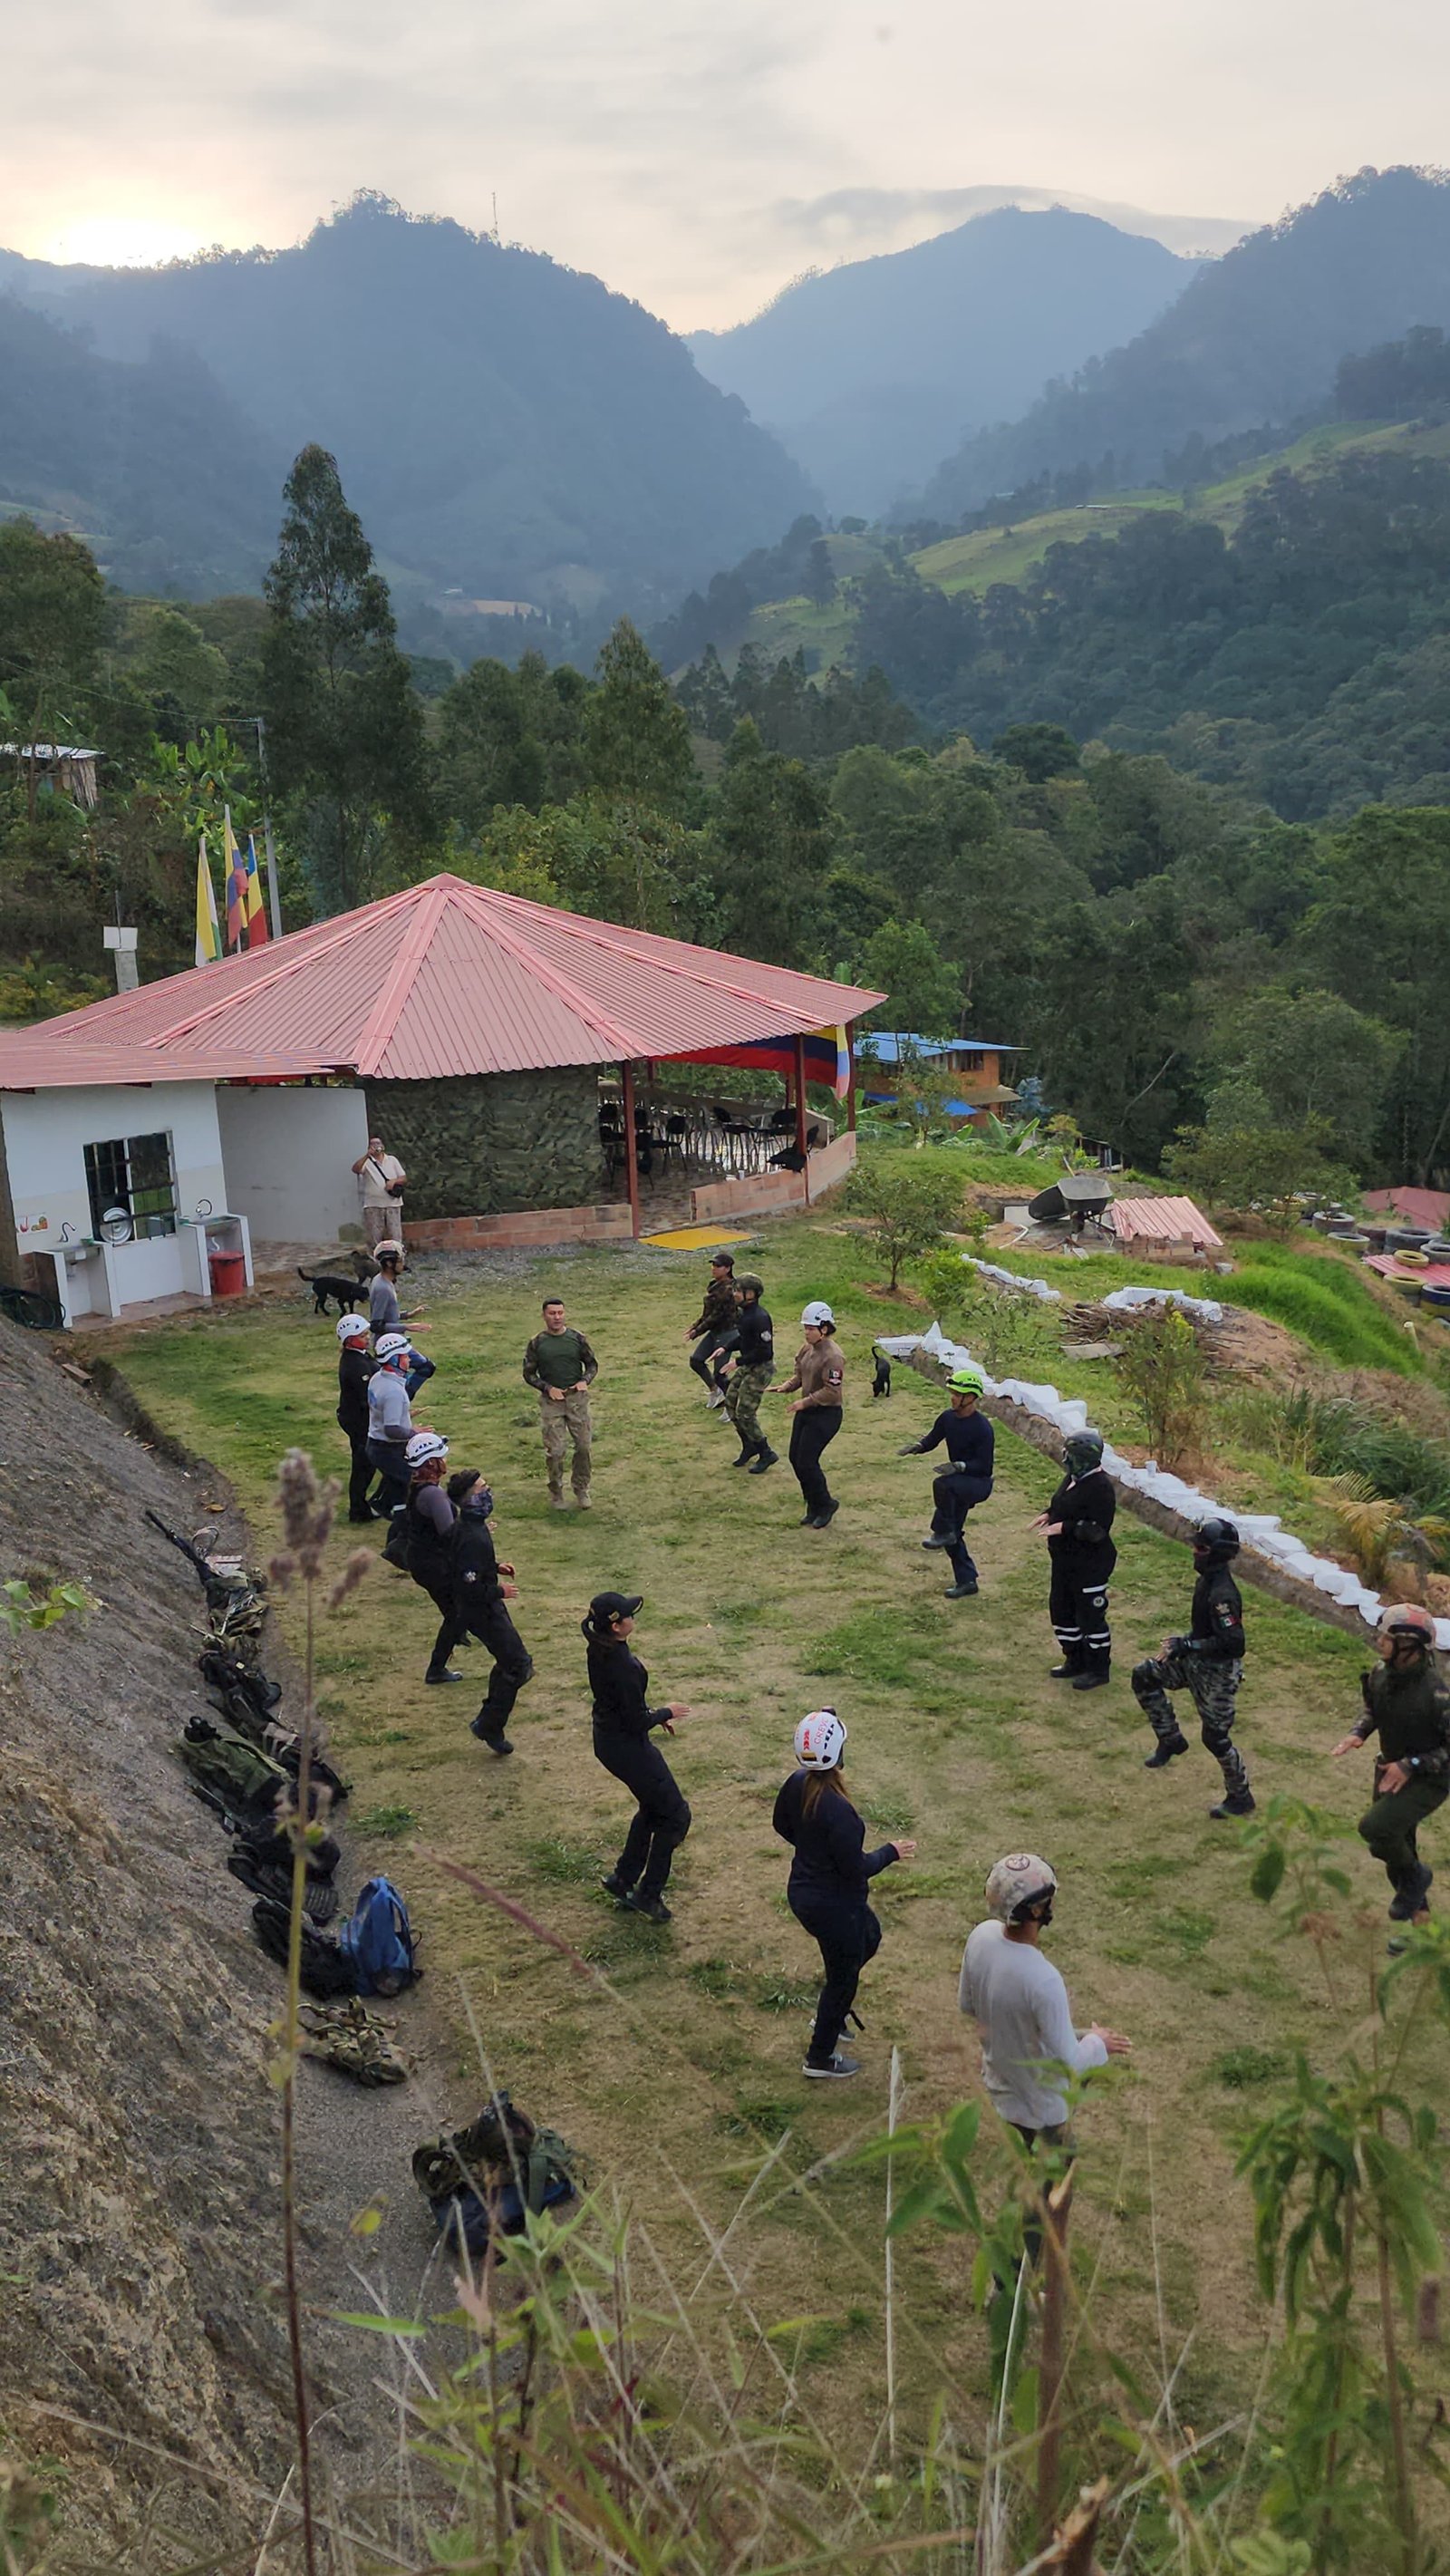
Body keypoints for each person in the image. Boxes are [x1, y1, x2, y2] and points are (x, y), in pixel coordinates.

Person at [772, 1709, 914, 2079]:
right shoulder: (839, 1812)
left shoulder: (796, 1782)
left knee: (870, 1937)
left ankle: (832, 2012)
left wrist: (810, 1850)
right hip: (834, 1906)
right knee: (842, 1977)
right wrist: (891, 1851)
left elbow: (780, 1824)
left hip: (807, 1895)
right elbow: (858, 1868)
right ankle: (819, 2056)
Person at [959, 1855, 1130, 2149]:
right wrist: (1099, 2042)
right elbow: (1072, 2064)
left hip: (1000, 2087)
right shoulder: (1043, 1979)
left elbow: (968, 2005)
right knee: (1054, 2184)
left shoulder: (981, 1936)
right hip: (1040, 2109)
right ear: (1037, 1909)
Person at [1330, 1603, 1450, 1948]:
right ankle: (1422, 1929)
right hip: (1390, 1770)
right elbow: (1373, 1709)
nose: (1379, 1641)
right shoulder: (1381, 1673)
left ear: (1410, 1646)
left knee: (1377, 1830)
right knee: (1398, 1849)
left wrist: (1409, 1766)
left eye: (1388, 1637)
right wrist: (1359, 1733)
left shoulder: (1437, 1695)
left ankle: (1417, 1878)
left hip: (1428, 1780)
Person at [1134, 1516, 1255, 1818]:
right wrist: (1185, 1643)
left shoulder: (1222, 1595)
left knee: (1215, 1738)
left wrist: (1188, 1646)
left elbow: (1233, 1643)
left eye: (1201, 1547)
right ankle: (1170, 1739)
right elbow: (1206, 1633)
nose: (1194, 1552)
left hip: (1217, 1674)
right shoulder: (1208, 1582)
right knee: (1144, 1675)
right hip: (1196, 1663)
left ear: (1215, 1553)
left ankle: (1240, 1796)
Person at [585, 1592, 691, 1922]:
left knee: (652, 1805)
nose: (634, 1618)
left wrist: (652, 1715)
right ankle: (648, 1894)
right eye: (628, 1615)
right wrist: (664, 1712)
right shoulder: (621, 1664)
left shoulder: (599, 1645)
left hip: (609, 1740)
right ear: (616, 1626)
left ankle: (623, 1879)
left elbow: (624, 1706)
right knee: (675, 1816)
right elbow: (634, 1722)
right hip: (627, 1747)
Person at [450, 1468, 535, 1753]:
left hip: (485, 1607)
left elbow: (467, 1567)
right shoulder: (472, 1534)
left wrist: (493, 1567)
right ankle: (489, 1724)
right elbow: (468, 1586)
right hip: (482, 1610)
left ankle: (489, 1721)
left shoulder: (471, 1526)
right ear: (470, 1498)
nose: (488, 1491)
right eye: (482, 1487)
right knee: (517, 1665)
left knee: (512, 1662)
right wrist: (500, 1591)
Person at [899, 1364, 995, 1599]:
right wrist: (918, 1447)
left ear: (970, 1398)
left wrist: (960, 1466)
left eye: (957, 1394)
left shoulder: (983, 1428)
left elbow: (984, 1467)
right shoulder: (947, 1418)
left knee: (942, 1485)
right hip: (959, 1483)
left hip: (977, 1483)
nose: (952, 1398)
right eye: (951, 1393)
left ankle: (940, 1531)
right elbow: (933, 1438)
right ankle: (967, 1581)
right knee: (953, 1530)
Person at [1036, 1428, 1116, 1690]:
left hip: (1090, 1565)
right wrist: (1049, 1514)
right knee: (1061, 1610)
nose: (1065, 1458)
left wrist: (1065, 1528)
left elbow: (1097, 1530)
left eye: (1070, 1455)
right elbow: (1063, 1504)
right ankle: (1075, 1659)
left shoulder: (1101, 1488)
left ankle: (1098, 1668)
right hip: (1064, 1561)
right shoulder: (1072, 1478)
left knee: (1090, 1616)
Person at [397, 1432, 466, 1685]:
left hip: (422, 1561)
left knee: (455, 1612)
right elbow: (450, 1534)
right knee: (457, 1614)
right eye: (440, 1457)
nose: (445, 1461)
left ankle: (455, 1637)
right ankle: (437, 1668)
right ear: (430, 1464)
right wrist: (472, 1530)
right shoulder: (434, 1495)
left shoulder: (419, 1489)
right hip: (433, 1565)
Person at [773, 1301, 846, 1528]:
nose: (806, 1333)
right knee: (796, 1458)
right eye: (805, 1328)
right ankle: (813, 1505)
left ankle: (825, 1504)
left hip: (825, 1414)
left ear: (824, 1329)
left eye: (811, 1329)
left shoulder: (833, 1357)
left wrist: (805, 1402)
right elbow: (801, 1375)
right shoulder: (807, 1349)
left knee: (808, 1461)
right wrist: (788, 1386)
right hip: (807, 1411)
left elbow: (832, 1392)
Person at [523, 1297, 598, 1508]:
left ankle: (582, 1488)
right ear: (544, 1316)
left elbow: (592, 1364)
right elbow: (528, 1373)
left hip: (577, 1400)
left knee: (583, 1447)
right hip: (552, 1403)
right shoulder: (537, 1343)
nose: (557, 1317)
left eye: (560, 1313)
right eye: (552, 1313)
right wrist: (547, 1388)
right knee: (555, 1451)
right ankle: (556, 1491)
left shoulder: (577, 1338)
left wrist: (585, 1381)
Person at [717, 1273, 778, 1472]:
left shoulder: (760, 1317)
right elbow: (743, 1339)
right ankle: (749, 1445)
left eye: (738, 1291)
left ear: (750, 1294)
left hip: (760, 1368)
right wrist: (726, 1348)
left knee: (746, 1412)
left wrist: (737, 1362)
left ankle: (766, 1452)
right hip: (747, 1365)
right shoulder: (744, 1314)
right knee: (731, 1404)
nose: (734, 1294)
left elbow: (765, 1351)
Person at [369, 1242, 434, 1399]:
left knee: (426, 1367)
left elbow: (387, 1315)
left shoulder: (384, 1282)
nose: (403, 1264)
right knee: (424, 1369)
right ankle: (401, 1404)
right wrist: (408, 1326)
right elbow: (376, 1325)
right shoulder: (382, 1288)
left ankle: (401, 1404)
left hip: (395, 1342)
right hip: (389, 1347)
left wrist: (408, 1314)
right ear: (389, 1263)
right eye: (400, 1261)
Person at [335, 1312, 381, 1524]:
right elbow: (367, 1397)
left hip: (359, 1419)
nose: (368, 1338)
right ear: (351, 1339)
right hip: (359, 1422)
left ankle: (362, 1506)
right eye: (363, 1335)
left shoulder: (360, 1356)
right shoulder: (355, 1365)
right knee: (364, 1464)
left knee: (367, 1463)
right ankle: (359, 1509)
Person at [365, 1332, 415, 1516]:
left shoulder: (377, 1378)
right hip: (388, 1448)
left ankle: (380, 1506)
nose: (409, 1359)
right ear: (395, 1359)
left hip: (376, 1444)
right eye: (405, 1356)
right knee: (412, 1482)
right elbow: (392, 1429)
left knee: (395, 1482)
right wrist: (414, 1434)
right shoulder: (393, 1391)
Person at [684, 1251, 738, 1408]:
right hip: (715, 1331)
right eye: (713, 1265)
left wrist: (697, 1331)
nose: (714, 1268)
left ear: (727, 1269)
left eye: (718, 1266)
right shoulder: (715, 1286)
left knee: (720, 1372)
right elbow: (708, 1313)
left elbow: (717, 1315)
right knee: (696, 1360)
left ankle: (731, 1404)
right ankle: (716, 1391)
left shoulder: (729, 1289)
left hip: (727, 1332)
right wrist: (695, 1326)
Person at [353, 1134, 407, 1251]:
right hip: (373, 1205)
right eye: (373, 1144)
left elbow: (403, 1178)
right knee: (374, 1237)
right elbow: (356, 1169)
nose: (376, 1146)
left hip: (393, 1203)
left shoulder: (392, 1160)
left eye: (378, 1143)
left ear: (383, 1146)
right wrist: (367, 1156)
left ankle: (398, 1259)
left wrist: (393, 1181)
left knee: (395, 1235)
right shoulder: (366, 1162)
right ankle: (376, 1261)